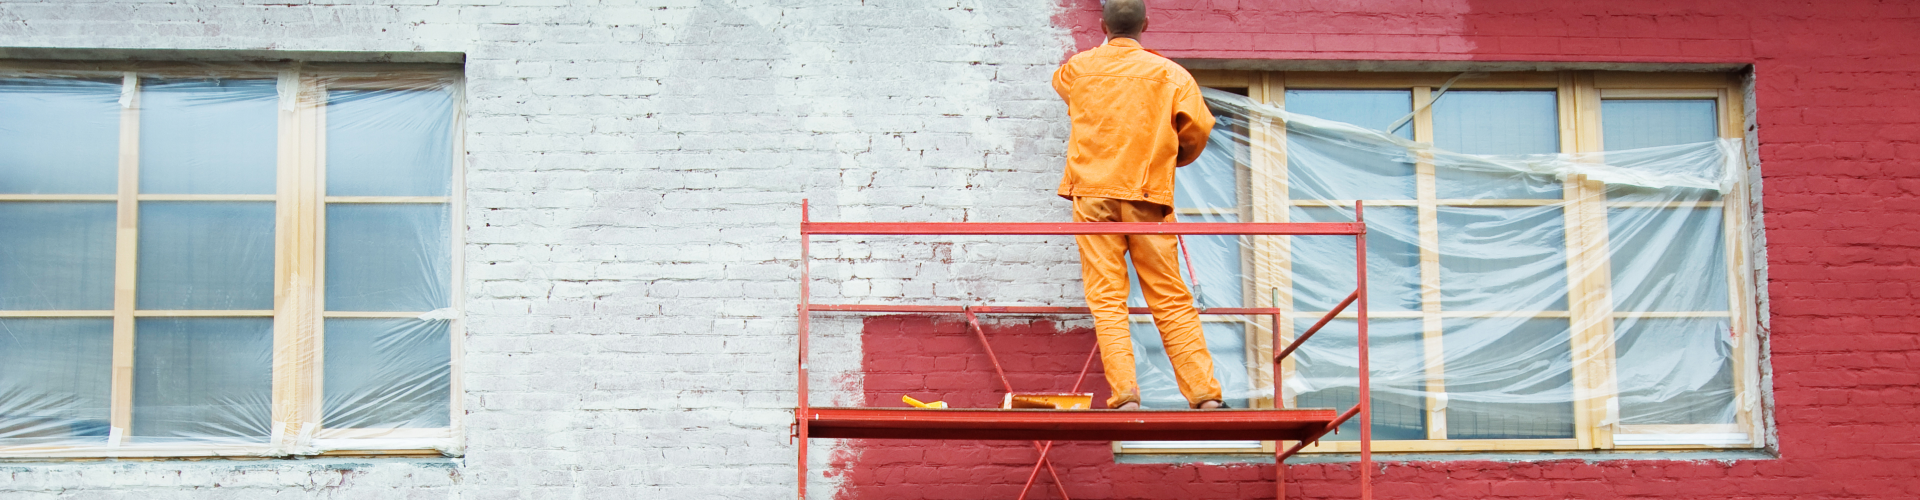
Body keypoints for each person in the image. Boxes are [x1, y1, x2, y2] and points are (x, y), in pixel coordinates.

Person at [1050, 0, 1222, 411]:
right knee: (1169, 296)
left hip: (1093, 196)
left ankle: (1126, 394)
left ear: (1101, 24)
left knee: (1107, 297)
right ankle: (1204, 395)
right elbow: (1197, 130)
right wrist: (1169, 158)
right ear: (1147, 23)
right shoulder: (1172, 74)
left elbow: (1063, 85)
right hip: (1149, 195)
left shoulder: (1079, 68)